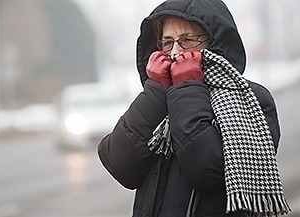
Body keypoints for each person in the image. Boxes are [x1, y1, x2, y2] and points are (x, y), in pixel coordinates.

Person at [97, 0, 291, 216]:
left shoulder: (250, 99)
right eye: (167, 42)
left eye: (187, 40)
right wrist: (154, 94)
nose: (175, 52)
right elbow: (120, 165)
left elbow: (209, 171)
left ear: (214, 43)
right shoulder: (159, 97)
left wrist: (187, 87)